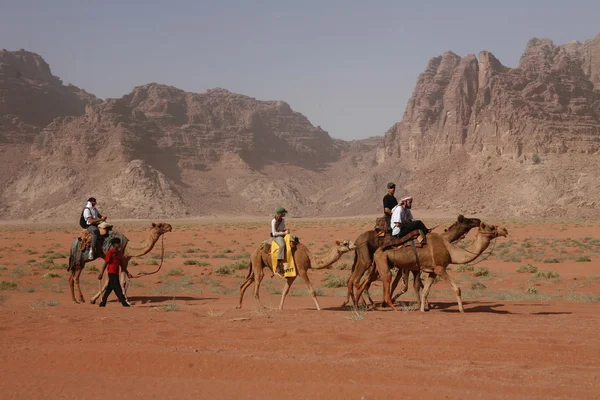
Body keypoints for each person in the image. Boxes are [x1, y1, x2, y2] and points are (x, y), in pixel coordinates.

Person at [97, 238, 131, 307]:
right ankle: (124, 302)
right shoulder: (110, 252)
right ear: (114, 244)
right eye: (117, 243)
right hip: (111, 272)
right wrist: (101, 273)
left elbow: (122, 265)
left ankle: (103, 302)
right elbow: (106, 263)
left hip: (116, 273)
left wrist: (127, 273)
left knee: (109, 288)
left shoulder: (119, 254)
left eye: (119, 243)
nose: (119, 244)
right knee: (117, 287)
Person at [271, 207, 290, 274]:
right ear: (280, 214)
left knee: (294, 239)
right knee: (282, 245)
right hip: (276, 236)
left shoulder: (283, 220)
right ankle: (278, 265)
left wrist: (285, 230)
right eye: (283, 213)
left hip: (282, 234)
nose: (284, 215)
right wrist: (284, 233)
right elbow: (274, 233)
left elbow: (282, 228)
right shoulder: (274, 221)